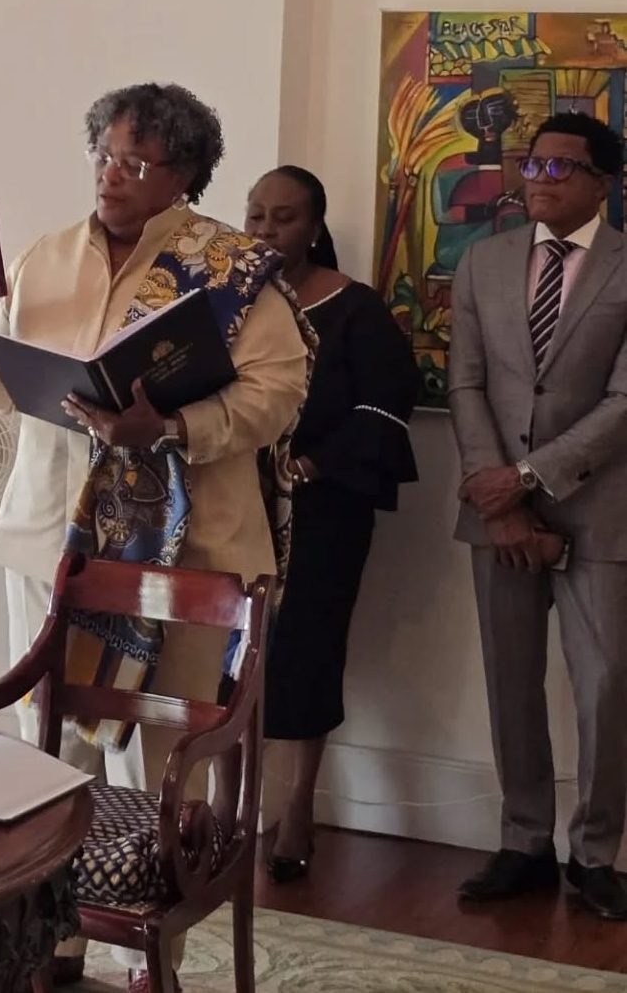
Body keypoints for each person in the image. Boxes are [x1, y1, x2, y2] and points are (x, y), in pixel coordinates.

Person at [0, 82, 311, 992]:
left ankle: (154, 962)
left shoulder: (231, 267)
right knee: (46, 751)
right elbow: (3, 385)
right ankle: (52, 948)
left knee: (159, 765)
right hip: (50, 539)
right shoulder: (44, 257)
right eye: (104, 155)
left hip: (189, 557)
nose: (113, 175)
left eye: (136, 162)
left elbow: (277, 395)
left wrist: (173, 431)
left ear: (182, 174)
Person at [450, 112, 627, 922]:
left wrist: (525, 476)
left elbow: (626, 401)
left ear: (602, 181)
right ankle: (524, 839)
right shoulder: (483, 262)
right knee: (511, 682)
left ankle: (596, 853)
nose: (542, 178)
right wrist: (500, 495)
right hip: (497, 513)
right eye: (535, 163)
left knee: (604, 688)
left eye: (563, 167)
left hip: (604, 509)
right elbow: (467, 385)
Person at [244, 166, 419, 882]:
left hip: (321, 510)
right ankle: (226, 811)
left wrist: (317, 463)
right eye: (254, 215)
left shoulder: (357, 310)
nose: (264, 229)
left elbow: (387, 404)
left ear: (313, 228)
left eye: (282, 217)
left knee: (304, 655)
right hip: (236, 506)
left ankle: (295, 809)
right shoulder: (228, 304)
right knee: (228, 663)